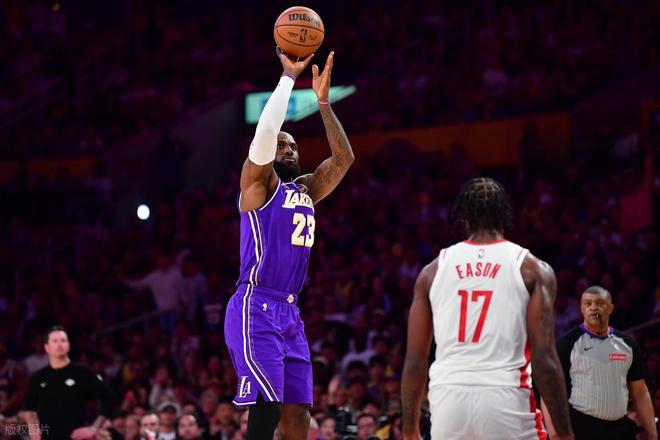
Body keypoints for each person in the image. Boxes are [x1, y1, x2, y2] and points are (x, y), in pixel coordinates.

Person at [224, 47, 354, 440]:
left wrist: (324, 103)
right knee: (267, 407)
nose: (289, 149)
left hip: (290, 312)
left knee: (298, 414)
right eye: (283, 145)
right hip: (256, 305)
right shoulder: (258, 185)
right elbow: (266, 133)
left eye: (294, 146)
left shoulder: (306, 190)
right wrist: (288, 78)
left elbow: (343, 159)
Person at [401, 177, 573, 440]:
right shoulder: (532, 269)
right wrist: (565, 432)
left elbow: (415, 360)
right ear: (505, 215)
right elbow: (545, 359)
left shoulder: (431, 272)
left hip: (448, 402)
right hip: (505, 398)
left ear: (463, 218)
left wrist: (409, 430)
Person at [546, 286, 657, 440]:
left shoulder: (627, 344)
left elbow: (639, 393)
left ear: (610, 308)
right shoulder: (566, 344)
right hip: (581, 430)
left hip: (620, 430)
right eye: (588, 303)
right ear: (581, 309)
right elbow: (550, 392)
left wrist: (652, 433)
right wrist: (553, 433)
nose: (593, 307)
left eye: (599, 303)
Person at [22, 326, 116, 440]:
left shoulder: (83, 372)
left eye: (63, 340)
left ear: (68, 345)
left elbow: (109, 398)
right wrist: (33, 431)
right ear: (47, 347)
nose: (59, 344)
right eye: (55, 341)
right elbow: (29, 408)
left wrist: (94, 428)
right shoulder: (38, 377)